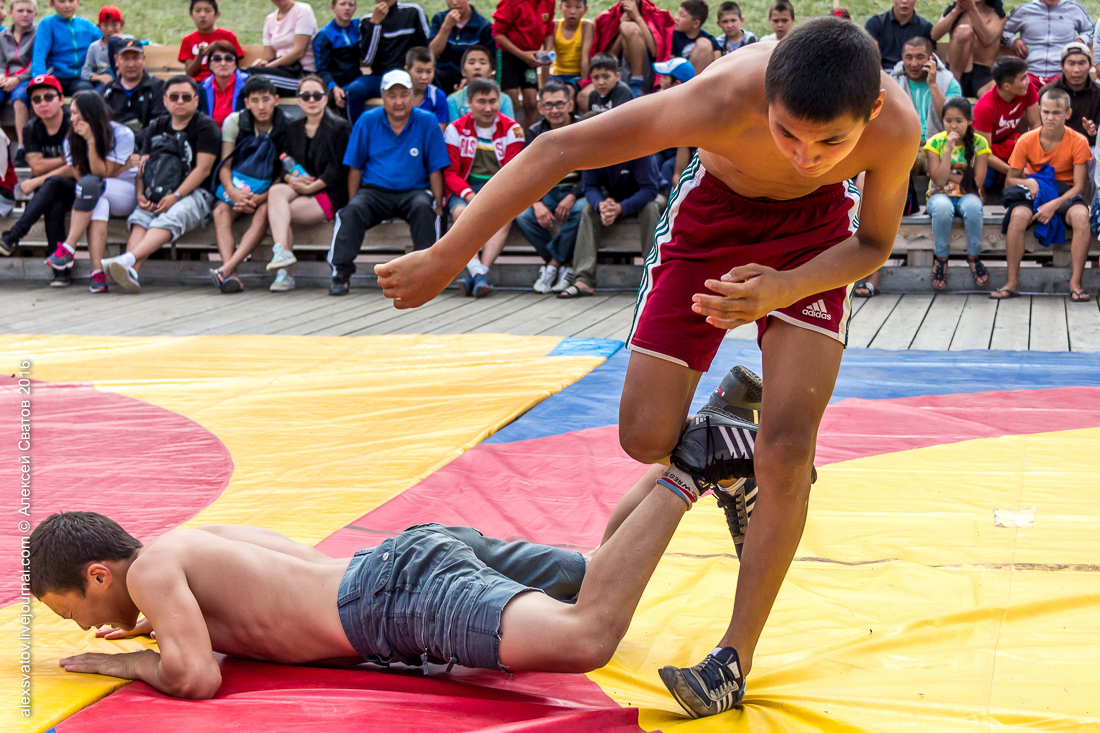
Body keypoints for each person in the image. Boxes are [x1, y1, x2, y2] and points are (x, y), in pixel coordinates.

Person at [374, 17, 920, 717]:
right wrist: (448, 255)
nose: (806, 157)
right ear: (765, 100)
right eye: (787, 134)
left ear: (871, 112)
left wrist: (784, 288)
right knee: (644, 436)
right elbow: (557, 147)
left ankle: (734, 655)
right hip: (712, 221)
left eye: (831, 143)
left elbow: (872, 241)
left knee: (786, 450)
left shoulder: (896, 123)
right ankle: (718, 442)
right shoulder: (720, 98)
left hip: (817, 241)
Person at [33, 460, 742, 697]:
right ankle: (693, 447)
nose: (90, 627)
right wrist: (152, 621)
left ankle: (688, 470)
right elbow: (248, 602)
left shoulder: (156, 573)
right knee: (597, 571)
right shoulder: (183, 548)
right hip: (406, 556)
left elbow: (196, 677)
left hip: (392, 598)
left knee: (587, 635)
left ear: (100, 573)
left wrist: (125, 660)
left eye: (77, 612)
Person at [328, 69, 448, 296]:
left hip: (415, 191)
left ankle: (426, 276)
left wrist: (439, 204)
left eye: (404, 95)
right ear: (383, 97)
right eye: (392, 96)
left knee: (426, 209)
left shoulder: (427, 121)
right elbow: (355, 166)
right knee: (351, 211)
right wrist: (354, 200)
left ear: (412, 95)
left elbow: (435, 167)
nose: (398, 101)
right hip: (375, 191)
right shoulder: (367, 120)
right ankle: (340, 274)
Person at [100, 76, 221, 294]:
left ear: (196, 100)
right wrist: (140, 194)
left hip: (196, 194)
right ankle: (132, 271)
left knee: (171, 216)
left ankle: (126, 260)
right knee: (141, 218)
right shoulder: (156, 126)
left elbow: (203, 170)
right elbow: (143, 165)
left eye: (186, 97)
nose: (180, 101)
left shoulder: (206, 127)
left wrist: (175, 196)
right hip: (155, 190)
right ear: (165, 101)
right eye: (174, 97)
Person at [996, 86, 1092, 301]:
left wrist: (1053, 204)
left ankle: (1076, 282)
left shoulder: (1078, 141)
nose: (1050, 117)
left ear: (1068, 114)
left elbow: (1080, 187)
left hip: (1065, 191)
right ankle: (1012, 282)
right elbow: (1011, 180)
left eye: (1056, 113)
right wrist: (1029, 180)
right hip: (1035, 188)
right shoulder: (1026, 140)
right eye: (1046, 112)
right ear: (1039, 111)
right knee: (1018, 216)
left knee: (1081, 216)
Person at [42, 91, 137, 294]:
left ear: (90, 114)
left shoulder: (122, 133)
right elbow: (82, 178)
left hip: (126, 192)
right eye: (72, 113)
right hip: (97, 193)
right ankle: (97, 274)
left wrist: (92, 141)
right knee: (97, 200)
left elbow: (105, 172)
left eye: (77, 113)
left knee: (92, 187)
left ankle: (68, 247)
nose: (72, 118)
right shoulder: (70, 140)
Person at [265, 75, 352, 292]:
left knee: (281, 213)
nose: (311, 100)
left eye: (317, 95)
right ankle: (281, 252)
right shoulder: (293, 127)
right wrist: (290, 179)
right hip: (299, 185)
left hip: (328, 190)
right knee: (276, 192)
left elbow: (338, 170)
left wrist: (310, 188)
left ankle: (284, 273)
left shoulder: (340, 128)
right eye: (305, 96)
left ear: (325, 99)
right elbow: (283, 162)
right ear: (299, 101)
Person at [559, 115, 660, 299]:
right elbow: (590, 187)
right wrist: (601, 205)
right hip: (613, 197)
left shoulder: (637, 147)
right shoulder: (589, 151)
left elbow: (650, 189)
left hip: (649, 196)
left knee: (651, 208)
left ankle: (654, 277)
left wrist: (622, 208)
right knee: (589, 209)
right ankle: (583, 279)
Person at [444, 77, 524, 297]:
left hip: (499, 189)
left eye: (493, 101)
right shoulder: (455, 129)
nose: (488, 108)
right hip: (465, 189)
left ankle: (478, 273)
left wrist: (487, 198)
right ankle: (479, 274)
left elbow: (511, 173)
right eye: (481, 102)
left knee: (503, 219)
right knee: (460, 213)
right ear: (469, 102)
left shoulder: (513, 130)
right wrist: (470, 196)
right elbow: (450, 173)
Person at [208, 75, 288, 294]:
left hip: (266, 192)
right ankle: (231, 275)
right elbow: (225, 165)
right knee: (220, 212)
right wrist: (233, 194)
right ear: (247, 103)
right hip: (236, 187)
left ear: (276, 100)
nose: (261, 106)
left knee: (264, 211)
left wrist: (261, 197)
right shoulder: (234, 121)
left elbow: (285, 172)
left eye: (266, 99)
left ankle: (226, 269)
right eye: (254, 100)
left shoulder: (286, 125)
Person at [0, 75, 75, 287]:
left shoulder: (73, 123)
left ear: (61, 99)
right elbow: (36, 166)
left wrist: (36, 180)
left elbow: (76, 168)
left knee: (52, 184)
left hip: (75, 187)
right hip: (48, 193)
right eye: (36, 99)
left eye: (49, 97)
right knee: (54, 203)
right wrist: (65, 160)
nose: (42, 103)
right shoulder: (31, 128)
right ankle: (60, 269)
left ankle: (14, 234)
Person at [516, 79, 584, 293]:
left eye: (560, 104)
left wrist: (573, 195)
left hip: (577, 191)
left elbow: (593, 172)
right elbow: (528, 173)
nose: (554, 110)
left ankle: (552, 265)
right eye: (548, 105)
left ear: (570, 105)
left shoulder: (585, 128)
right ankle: (563, 264)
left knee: (581, 211)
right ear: (540, 108)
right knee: (523, 217)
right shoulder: (535, 133)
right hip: (546, 193)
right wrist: (536, 202)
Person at [923, 97, 990, 290]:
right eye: (948, 121)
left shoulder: (979, 143)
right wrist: (948, 150)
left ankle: (973, 256)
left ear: (969, 121)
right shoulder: (935, 142)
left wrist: (953, 178)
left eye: (959, 121)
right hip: (939, 195)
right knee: (942, 208)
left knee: (973, 206)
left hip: (968, 194)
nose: (953, 126)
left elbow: (976, 183)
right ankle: (941, 258)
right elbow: (940, 181)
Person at [344, 0, 431, 122]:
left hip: (409, 76)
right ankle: (359, 134)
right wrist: (375, 24)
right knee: (354, 90)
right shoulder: (366, 20)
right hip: (380, 77)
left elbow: (429, 47)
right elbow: (367, 59)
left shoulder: (413, 11)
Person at [973, 56, 1039, 192]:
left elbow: (1036, 125)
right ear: (1007, 86)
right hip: (990, 155)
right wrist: (1013, 171)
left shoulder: (1027, 88)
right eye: (1023, 78)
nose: (1028, 81)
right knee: (981, 178)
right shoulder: (985, 108)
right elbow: (983, 152)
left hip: (1014, 147)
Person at [590, 0, 675, 98]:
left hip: (647, 74)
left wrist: (638, 18)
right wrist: (622, 30)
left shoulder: (656, 14)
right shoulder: (607, 17)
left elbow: (655, 52)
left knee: (629, 27)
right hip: (616, 75)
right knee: (627, 27)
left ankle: (636, 81)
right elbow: (608, 60)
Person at [1003, 0, 1093, 93]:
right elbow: (1003, 31)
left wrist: (1082, 40)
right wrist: (1013, 41)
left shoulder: (1074, 9)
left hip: (1062, 75)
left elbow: (1090, 30)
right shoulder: (1024, 10)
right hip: (1030, 74)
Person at [492, 0, 555, 130]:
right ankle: (510, 141)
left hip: (530, 58)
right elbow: (497, 33)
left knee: (531, 102)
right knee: (511, 101)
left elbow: (549, 29)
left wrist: (547, 51)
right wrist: (522, 55)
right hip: (508, 56)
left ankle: (529, 143)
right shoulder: (511, 2)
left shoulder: (549, 2)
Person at [889, 37, 961, 146]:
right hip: (902, 144)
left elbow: (952, 119)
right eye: (908, 57)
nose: (914, 64)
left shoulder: (948, 82)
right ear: (902, 58)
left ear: (930, 58)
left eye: (920, 57)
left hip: (939, 145)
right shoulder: (892, 82)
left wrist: (933, 85)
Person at [931, 0, 1005, 98]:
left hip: (982, 73)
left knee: (1001, 93)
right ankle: (953, 86)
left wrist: (972, 10)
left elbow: (987, 40)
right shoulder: (954, 12)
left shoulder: (995, 14)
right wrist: (956, 11)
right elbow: (935, 35)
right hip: (955, 71)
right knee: (964, 31)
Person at [102, 39, 168, 148]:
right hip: (114, 146)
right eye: (125, 59)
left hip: (149, 146)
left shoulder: (159, 87)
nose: (131, 64)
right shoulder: (107, 91)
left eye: (136, 58)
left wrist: (136, 141)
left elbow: (161, 121)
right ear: (116, 60)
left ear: (143, 59)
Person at [248, 0, 319, 96]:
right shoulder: (269, 19)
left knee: (253, 76)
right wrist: (262, 64)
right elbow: (269, 57)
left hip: (302, 75)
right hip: (281, 71)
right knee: (249, 75)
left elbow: (298, 53)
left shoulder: (302, 10)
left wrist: (268, 66)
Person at [30, 0, 99, 95]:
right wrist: (41, 80)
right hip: (56, 77)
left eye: (71, 1)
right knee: (49, 96)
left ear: (78, 2)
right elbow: (39, 56)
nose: (67, 5)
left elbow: (104, 43)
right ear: (52, 4)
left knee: (86, 94)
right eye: (61, 1)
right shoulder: (47, 24)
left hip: (80, 78)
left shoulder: (86, 25)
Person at [1039, 42, 1100, 147]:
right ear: (1062, 66)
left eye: (1082, 63)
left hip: (1089, 148)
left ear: (1090, 65)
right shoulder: (1047, 92)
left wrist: (1094, 132)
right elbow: (1037, 128)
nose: (1076, 70)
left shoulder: (1098, 93)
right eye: (1071, 64)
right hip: (1055, 147)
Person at [429, 0, 496, 94]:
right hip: (441, 77)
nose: (454, 3)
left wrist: (469, 78)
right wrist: (446, 27)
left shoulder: (483, 27)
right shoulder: (439, 20)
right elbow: (432, 53)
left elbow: (490, 63)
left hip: (471, 76)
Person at [0, 0, 37, 164]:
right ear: (10, 13)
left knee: (20, 97)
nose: (25, 15)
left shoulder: (38, 34)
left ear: (35, 14)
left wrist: (17, 79)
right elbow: (1, 62)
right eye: (20, 11)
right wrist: (1, 76)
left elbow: (35, 62)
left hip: (26, 78)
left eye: (29, 11)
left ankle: (22, 147)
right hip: (5, 78)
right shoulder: (3, 36)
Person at [179, 0, 245, 83]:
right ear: (191, 15)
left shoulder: (228, 36)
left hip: (224, 81)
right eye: (198, 11)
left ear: (217, 15)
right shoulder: (188, 40)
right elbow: (189, 73)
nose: (202, 15)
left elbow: (236, 66)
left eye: (208, 11)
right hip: (198, 84)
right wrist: (200, 56)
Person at [314, 0, 361, 111]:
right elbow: (322, 69)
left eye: (351, 4)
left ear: (355, 8)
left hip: (355, 80)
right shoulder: (325, 35)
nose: (347, 8)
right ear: (333, 8)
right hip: (335, 82)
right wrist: (333, 87)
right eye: (342, 4)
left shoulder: (358, 27)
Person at [446, 44, 515, 119]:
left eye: (483, 63)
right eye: (471, 63)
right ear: (463, 71)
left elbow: (510, 128)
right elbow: (453, 129)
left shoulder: (504, 100)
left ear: (490, 71)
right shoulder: (453, 100)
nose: (477, 67)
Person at [864, 0, 934, 72]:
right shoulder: (875, 23)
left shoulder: (926, 27)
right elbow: (871, 57)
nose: (904, 1)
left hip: (913, 74)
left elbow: (929, 59)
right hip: (883, 73)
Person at [197, 40, 249, 128]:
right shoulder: (202, 89)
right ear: (210, 65)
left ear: (235, 64)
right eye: (217, 59)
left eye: (228, 59)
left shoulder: (248, 85)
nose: (223, 63)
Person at [546, 0, 592, 91]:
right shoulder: (555, 25)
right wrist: (544, 85)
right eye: (568, 6)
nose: (572, 11)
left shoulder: (586, 26)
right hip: (557, 75)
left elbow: (585, 58)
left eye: (578, 7)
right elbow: (547, 57)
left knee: (568, 91)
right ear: (560, 8)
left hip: (576, 76)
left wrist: (583, 83)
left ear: (585, 9)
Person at [80, 4, 124, 90]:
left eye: (114, 25)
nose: (110, 29)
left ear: (121, 25)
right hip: (103, 84)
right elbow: (85, 72)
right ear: (99, 27)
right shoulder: (95, 47)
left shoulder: (128, 42)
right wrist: (100, 78)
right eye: (105, 25)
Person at [671, 0, 719, 75]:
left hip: (701, 79)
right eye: (677, 13)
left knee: (704, 44)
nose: (676, 18)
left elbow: (717, 65)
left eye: (682, 16)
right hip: (678, 79)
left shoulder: (710, 40)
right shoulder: (672, 36)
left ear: (696, 23)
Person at [406, 46, 449, 127]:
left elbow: (439, 132)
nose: (424, 77)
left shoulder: (438, 97)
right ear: (407, 70)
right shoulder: (399, 95)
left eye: (429, 72)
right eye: (419, 71)